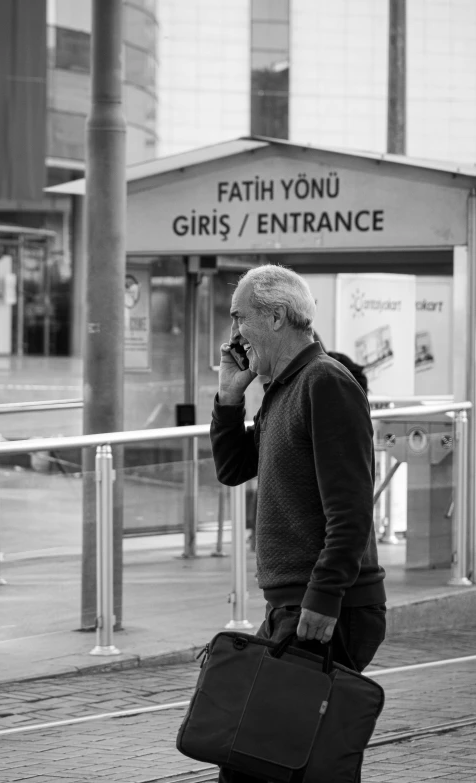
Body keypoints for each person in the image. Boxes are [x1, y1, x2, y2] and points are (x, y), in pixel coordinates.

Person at [210, 265, 386, 783]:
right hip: (296, 603)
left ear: (278, 315)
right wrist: (229, 395)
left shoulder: (326, 382)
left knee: (257, 761)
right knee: (292, 761)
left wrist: (323, 598)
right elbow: (232, 468)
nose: (235, 332)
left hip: (323, 607)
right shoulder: (284, 388)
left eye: (240, 317)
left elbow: (351, 509)